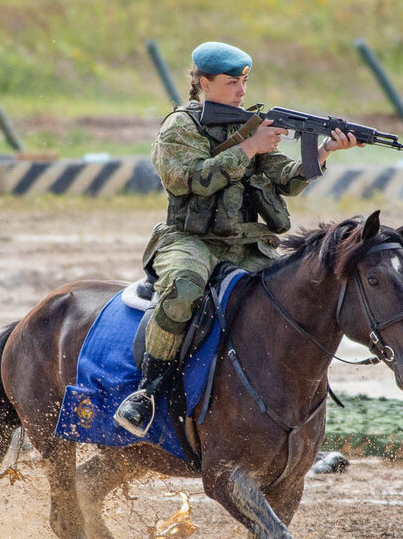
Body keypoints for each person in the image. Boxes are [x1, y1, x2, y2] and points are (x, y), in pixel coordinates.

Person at [113, 41, 361, 438]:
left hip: (248, 243)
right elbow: (191, 179)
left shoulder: (245, 123)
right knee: (184, 289)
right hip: (191, 239)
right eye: (232, 83)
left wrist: (326, 151)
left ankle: (293, 421)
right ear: (204, 83)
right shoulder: (180, 127)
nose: (242, 92)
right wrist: (248, 147)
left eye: (245, 82)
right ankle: (149, 391)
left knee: (299, 296)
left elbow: (286, 179)